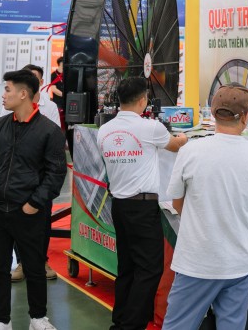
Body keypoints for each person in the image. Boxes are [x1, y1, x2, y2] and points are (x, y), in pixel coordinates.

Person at [161, 84, 248, 330]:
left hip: (196, 262)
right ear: (245, 117)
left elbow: (177, 202)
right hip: (239, 263)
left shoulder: (190, 151)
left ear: (212, 113)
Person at [0, 69, 67, 330]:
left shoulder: (49, 131)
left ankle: (38, 318)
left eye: (8, 89)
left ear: (23, 94)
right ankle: (0, 320)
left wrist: (34, 203)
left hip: (30, 212)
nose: (3, 94)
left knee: (34, 267)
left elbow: (56, 174)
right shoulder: (0, 125)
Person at [98, 76, 188, 330]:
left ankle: (120, 322)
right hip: (143, 207)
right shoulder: (151, 128)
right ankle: (130, 326)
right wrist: (183, 137)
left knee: (127, 267)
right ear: (142, 100)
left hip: (119, 206)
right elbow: (174, 146)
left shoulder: (104, 130)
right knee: (149, 269)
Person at [11, 64, 61, 283]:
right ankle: (21, 262)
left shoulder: (49, 106)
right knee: (17, 221)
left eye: (35, 78)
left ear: (41, 82)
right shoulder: (12, 104)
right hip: (17, 175)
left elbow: (54, 137)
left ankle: (41, 261)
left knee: (43, 220)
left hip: (41, 175)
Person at [48, 57, 69, 149]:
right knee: (59, 123)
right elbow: (53, 89)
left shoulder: (67, 74)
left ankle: (66, 142)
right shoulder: (53, 75)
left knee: (67, 123)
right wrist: (64, 95)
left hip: (67, 103)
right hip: (58, 103)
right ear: (60, 63)